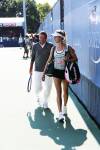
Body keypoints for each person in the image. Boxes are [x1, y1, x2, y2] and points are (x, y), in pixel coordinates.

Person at [42, 30, 78, 121]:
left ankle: (65, 107)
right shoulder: (53, 48)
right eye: (54, 36)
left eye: (56, 36)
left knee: (65, 92)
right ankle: (60, 113)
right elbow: (49, 60)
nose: (54, 38)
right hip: (56, 72)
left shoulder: (68, 48)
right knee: (58, 93)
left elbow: (75, 58)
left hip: (66, 73)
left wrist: (67, 60)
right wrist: (43, 72)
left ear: (61, 38)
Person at [29, 31, 53, 108]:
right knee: (38, 87)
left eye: (43, 37)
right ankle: (39, 97)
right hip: (37, 70)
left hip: (48, 71)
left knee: (48, 87)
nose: (41, 39)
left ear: (46, 38)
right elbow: (32, 58)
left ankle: (45, 101)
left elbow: (53, 58)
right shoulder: (35, 46)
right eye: (40, 37)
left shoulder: (51, 46)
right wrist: (30, 68)